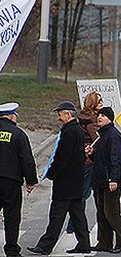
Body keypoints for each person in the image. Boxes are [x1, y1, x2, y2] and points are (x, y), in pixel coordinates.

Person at [28, 101, 91, 255]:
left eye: (60, 114)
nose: (58, 117)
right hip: (76, 183)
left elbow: (62, 158)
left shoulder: (69, 132)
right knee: (78, 217)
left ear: (68, 114)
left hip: (65, 184)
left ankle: (45, 246)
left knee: (56, 217)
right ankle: (84, 244)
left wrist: (51, 174)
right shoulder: (78, 130)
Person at [86, 107, 121, 254]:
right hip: (100, 180)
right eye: (99, 115)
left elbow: (115, 160)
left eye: (103, 115)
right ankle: (104, 242)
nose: (99, 117)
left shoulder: (113, 136)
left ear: (110, 119)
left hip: (110, 181)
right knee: (101, 213)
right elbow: (100, 159)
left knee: (111, 212)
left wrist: (114, 179)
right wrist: (92, 154)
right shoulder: (102, 136)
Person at [0, 102, 38, 257]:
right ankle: (11, 250)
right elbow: (27, 160)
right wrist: (31, 181)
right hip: (11, 181)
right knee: (12, 217)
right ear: (11, 116)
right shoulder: (18, 134)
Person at [67, 92, 103, 234]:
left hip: (82, 159)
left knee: (82, 193)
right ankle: (77, 224)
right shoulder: (92, 120)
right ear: (93, 104)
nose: (102, 103)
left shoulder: (82, 117)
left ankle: (73, 224)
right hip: (90, 159)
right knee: (91, 194)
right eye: (99, 101)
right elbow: (98, 138)